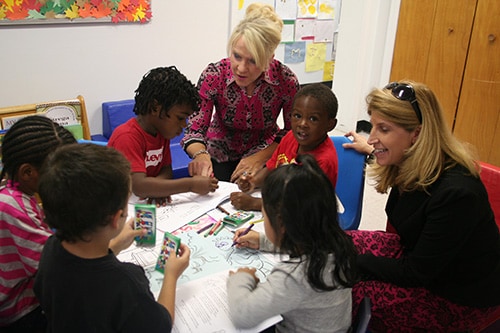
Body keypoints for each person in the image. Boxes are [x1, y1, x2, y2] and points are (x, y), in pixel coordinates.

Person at [343, 80, 500, 332]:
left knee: (348, 289)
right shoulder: (412, 161)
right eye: (372, 127)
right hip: (423, 259)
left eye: (383, 129)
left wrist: (354, 262)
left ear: (416, 134)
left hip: (457, 296)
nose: (371, 139)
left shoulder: (457, 194)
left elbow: (416, 273)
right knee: (337, 241)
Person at [33, 143, 191, 332]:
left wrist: (113, 245)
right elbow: (161, 325)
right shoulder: (126, 282)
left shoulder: (51, 247)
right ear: (116, 218)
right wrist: (171, 275)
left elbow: (83, 272)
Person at [227, 154, 358, 332]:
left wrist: (241, 278)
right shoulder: (338, 244)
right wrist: (262, 241)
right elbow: (308, 239)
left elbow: (242, 315)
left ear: (281, 224)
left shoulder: (293, 277)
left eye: (265, 216)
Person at [181, 3, 300, 182]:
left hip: (265, 151)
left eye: (253, 61)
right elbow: (195, 129)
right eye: (237, 56)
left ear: (269, 58)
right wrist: (201, 155)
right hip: (219, 152)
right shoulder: (214, 75)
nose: (241, 68)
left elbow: (293, 132)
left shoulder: (286, 81)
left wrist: (261, 157)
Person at [0, 116, 77, 331]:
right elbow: (58, 267)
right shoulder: (11, 207)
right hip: (19, 313)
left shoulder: (16, 192)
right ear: (27, 172)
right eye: (59, 173)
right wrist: (115, 243)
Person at [108, 66, 219, 206]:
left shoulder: (161, 134)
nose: (184, 125)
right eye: (180, 118)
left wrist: (157, 190)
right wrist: (191, 185)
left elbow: (167, 171)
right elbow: (139, 186)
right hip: (118, 206)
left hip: (144, 204)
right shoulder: (126, 136)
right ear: (155, 108)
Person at [230, 83, 339, 211]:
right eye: (297, 116)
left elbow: (301, 205)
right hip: (280, 202)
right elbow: (272, 167)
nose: (302, 124)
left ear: (330, 125)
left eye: (313, 119)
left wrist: (255, 204)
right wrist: (253, 181)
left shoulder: (323, 161)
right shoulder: (290, 137)